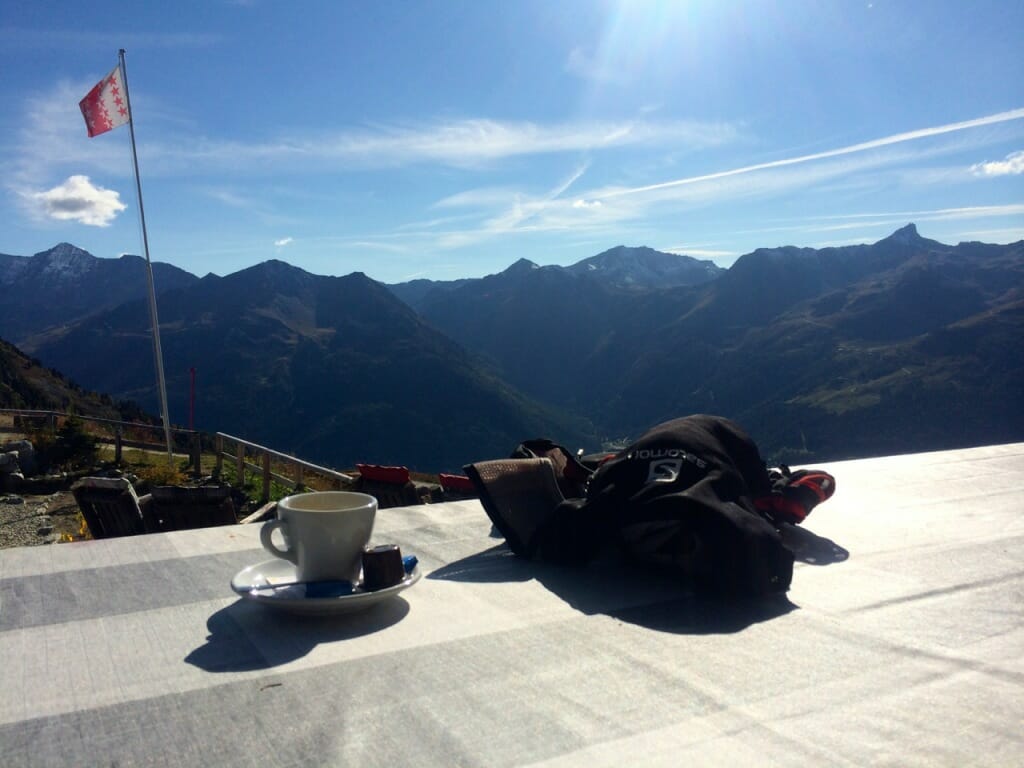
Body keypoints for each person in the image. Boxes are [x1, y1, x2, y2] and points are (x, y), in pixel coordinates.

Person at [465, 414, 835, 596]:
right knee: (773, 500)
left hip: (682, 444)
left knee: (773, 503)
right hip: (713, 438)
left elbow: (554, 536)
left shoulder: (608, 508)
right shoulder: (611, 509)